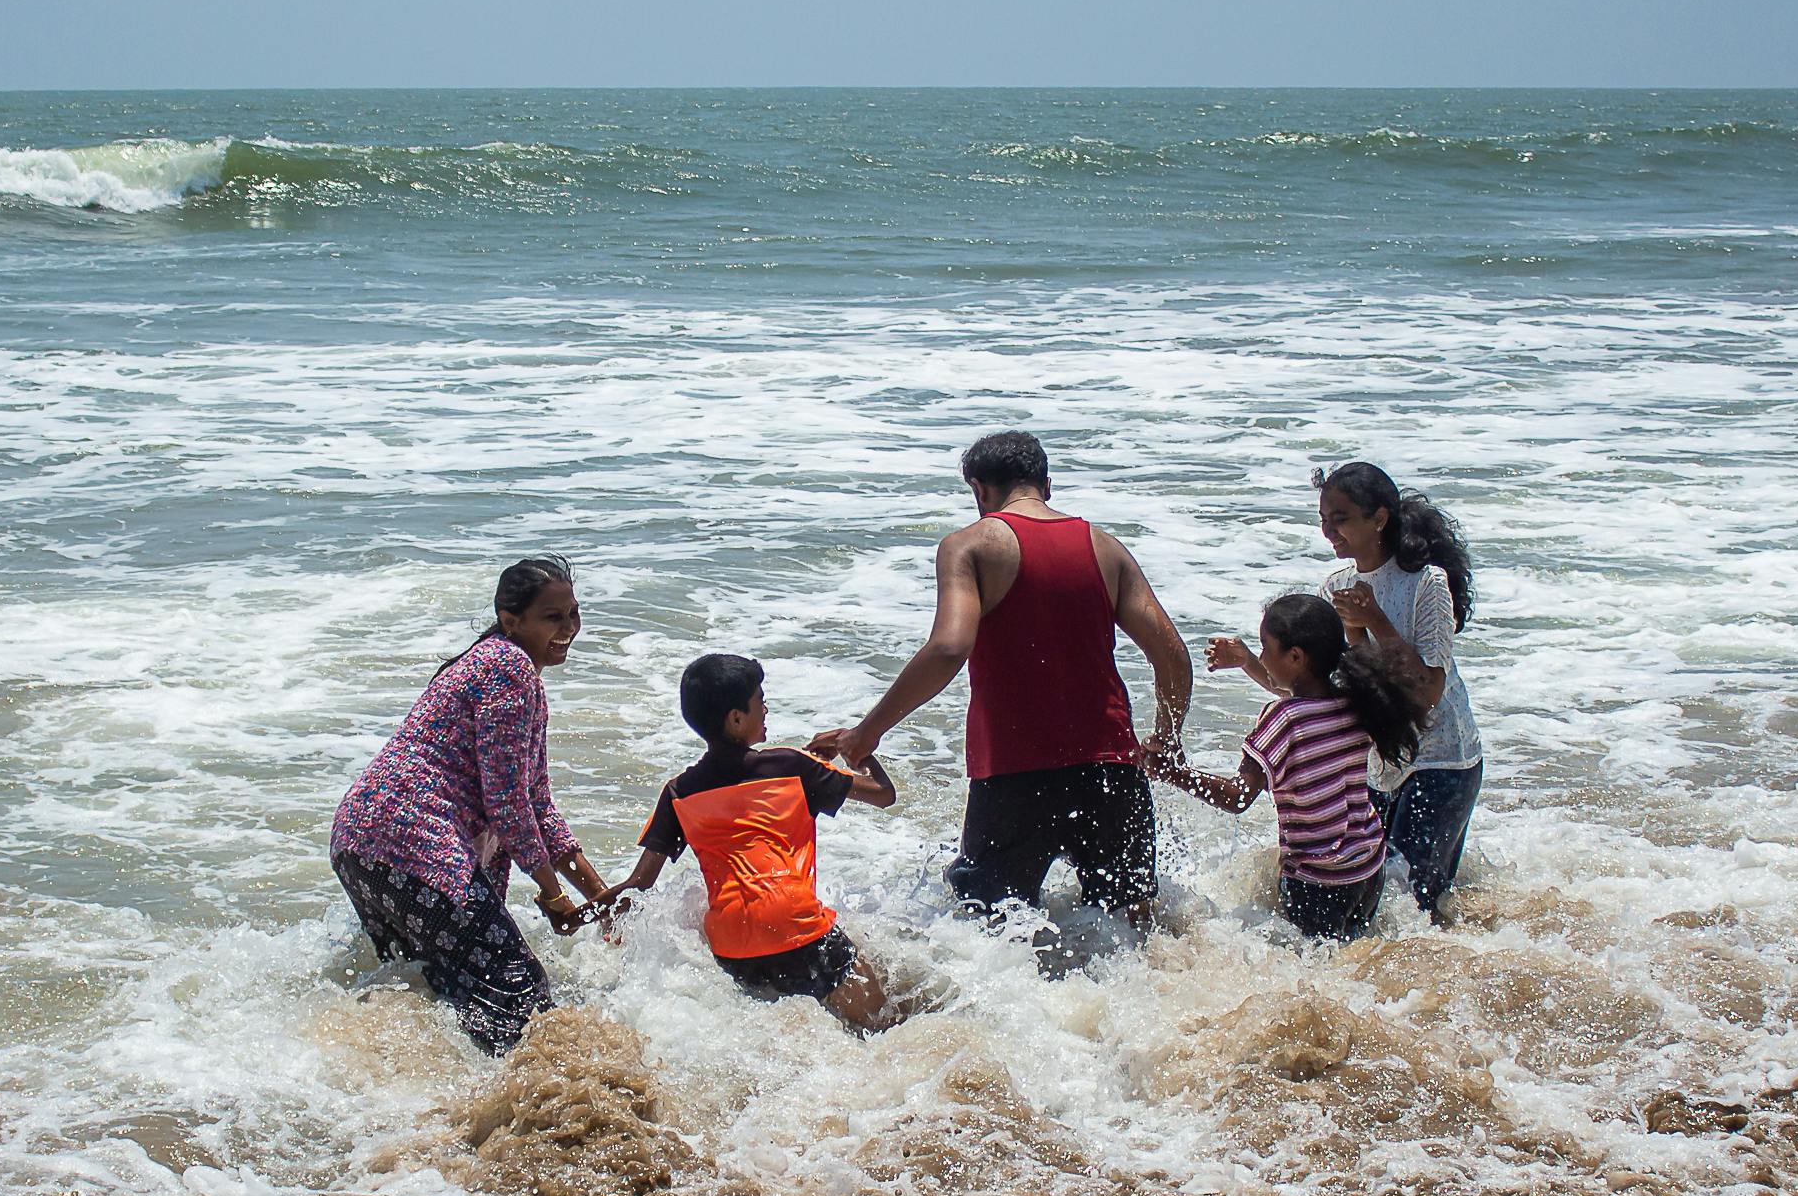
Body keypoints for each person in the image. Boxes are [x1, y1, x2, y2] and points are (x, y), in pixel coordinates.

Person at [820, 430, 1193, 933]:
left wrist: (869, 731)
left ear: (979, 489)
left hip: (1015, 780)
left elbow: (949, 647)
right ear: (1047, 484)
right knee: (1136, 938)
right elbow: (1172, 657)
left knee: (993, 940)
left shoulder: (969, 546)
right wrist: (1165, 738)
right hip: (1112, 773)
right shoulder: (1105, 548)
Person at [328, 556, 613, 1055]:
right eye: (553, 617)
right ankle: (517, 1120)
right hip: (412, 845)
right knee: (519, 997)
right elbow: (508, 805)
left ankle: (403, 1100)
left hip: (363, 844)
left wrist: (601, 899)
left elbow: (537, 805)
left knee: (426, 991)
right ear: (511, 620)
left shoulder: (497, 666)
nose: (568, 629)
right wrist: (554, 897)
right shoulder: (509, 667)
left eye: (573, 613)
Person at [1211, 461, 1481, 916]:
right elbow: (1318, 690)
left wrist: (1372, 620)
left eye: (1339, 520)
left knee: (1416, 905)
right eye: (1323, 520)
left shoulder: (1427, 583)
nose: (1328, 532)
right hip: (1378, 761)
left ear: (1379, 518)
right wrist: (1248, 662)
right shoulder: (1336, 586)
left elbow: (1429, 691)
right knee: (1382, 900)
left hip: (1441, 758)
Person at [601, 653, 904, 1032]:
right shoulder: (791, 767)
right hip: (798, 928)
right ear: (736, 718)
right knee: (884, 1027)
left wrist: (588, 912)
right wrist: (855, 748)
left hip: (733, 949)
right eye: (760, 700)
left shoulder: (678, 792)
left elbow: (640, 883)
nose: (766, 708)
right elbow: (882, 794)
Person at [1154, 593, 1431, 939]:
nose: (1263, 658)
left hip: (1319, 883)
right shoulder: (1354, 702)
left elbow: (1237, 798)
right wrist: (1246, 662)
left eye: (1265, 648)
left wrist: (1170, 772)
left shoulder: (1282, 721)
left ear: (1296, 656)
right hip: (1366, 867)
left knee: (1318, 978)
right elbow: (1298, 697)